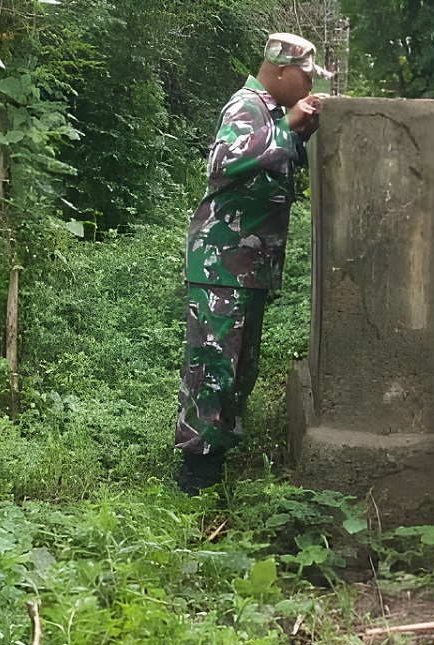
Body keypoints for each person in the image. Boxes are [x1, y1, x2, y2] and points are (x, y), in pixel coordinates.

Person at [175, 33, 330, 495]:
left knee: (239, 367)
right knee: (213, 364)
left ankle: (217, 455)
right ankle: (196, 472)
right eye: (305, 76)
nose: (309, 85)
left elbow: (268, 164)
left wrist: (297, 132)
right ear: (280, 71)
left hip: (246, 265)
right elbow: (223, 160)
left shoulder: (271, 112)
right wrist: (287, 127)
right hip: (222, 264)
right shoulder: (248, 105)